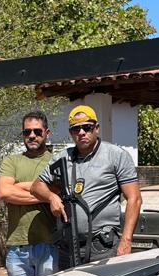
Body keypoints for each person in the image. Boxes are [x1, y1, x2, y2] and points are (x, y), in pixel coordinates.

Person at [32, 104, 141, 265]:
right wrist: (51, 197)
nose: (81, 132)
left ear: (96, 128)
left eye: (87, 127)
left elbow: (135, 199)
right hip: (69, 246)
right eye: (76, 129)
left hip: (103, 245)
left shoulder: (115, 155)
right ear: (71, 133)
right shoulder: (63, 158)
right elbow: (36, 186)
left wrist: (126, 240)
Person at [0, 110, 57, 276]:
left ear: (47, 133)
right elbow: (4, 192)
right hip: (17, 248)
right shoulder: (11, 161)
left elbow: (60, 192)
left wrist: (20, 186)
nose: (32, 135)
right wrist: (46, 194)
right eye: (27, 132)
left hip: (49, 245)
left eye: (37, 131)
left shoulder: (56, 162)